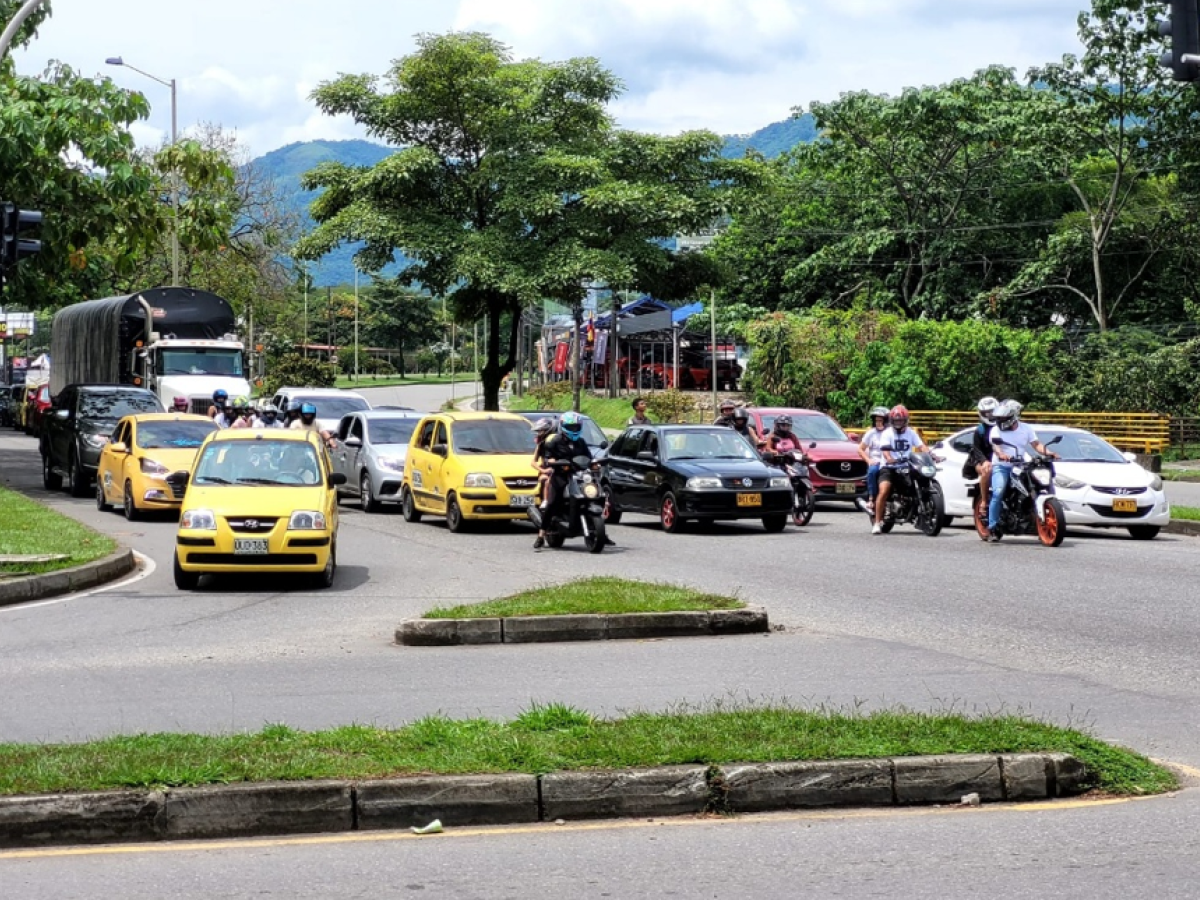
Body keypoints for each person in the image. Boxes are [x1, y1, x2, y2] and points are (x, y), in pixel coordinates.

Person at [985, 399, 1057, 543]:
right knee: (998, 492)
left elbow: (1036, 445)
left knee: (1039, 485)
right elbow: (996, 447)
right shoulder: (995, 430)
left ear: (1013, 416)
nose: (1000, 421)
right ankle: (992, 527)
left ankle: (1036, 519)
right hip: (1002, 466)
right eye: (999, 418)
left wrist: (1049, 453)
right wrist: (1002, 455)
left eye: (1003, 418)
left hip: (1022, 464)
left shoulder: (1026, 429)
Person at [534, 411, 592, 551]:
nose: (573, 430)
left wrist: (594, 463)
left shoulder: (581, 442)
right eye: (570, 427)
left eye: (576, 427)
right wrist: (553, 461)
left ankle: (602, 533)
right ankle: (541, 535)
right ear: (563, 426)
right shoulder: (555, 441)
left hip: (579, 475)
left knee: (594, 495)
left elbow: (588, 457)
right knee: (553, 503)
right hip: (560, 475)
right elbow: (548, 458)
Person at [873, 404, 928, 535]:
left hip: (906, 466)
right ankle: (877, 522)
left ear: (906, 420)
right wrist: (889, 458)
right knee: (884, 489)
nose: (898, 423)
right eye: (896, 421)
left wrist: (931, 455)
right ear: (892, 421)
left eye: (901, 420)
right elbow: (885, 451)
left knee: (920, 481)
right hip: (889, 467)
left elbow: (921, 447)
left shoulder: (911, 433)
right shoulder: (887, 433)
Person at [962, 396, 999, 521]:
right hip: (980, 459)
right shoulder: (980, 430)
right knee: (986, 471)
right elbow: (977, 450)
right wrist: (985, 461)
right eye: (986, 413)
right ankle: (984, 502)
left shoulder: (1003, 427)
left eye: (992, 412)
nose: (990, 415)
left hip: (999, 459)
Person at [858, 406, 890, 515]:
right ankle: (871, 498)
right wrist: (869, 460)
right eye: (876, 420)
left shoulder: (891, 433)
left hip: (889, 462)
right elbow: (860, 449)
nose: (878, 423)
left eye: (881, 420)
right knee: (872, 471)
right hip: (876, 461)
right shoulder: (871, 433)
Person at [530, 417, 556, 505]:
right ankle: (545, 502)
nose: (538, 434)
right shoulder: (541, 445)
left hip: (558, 470)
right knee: (547, 480)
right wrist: (543, 470)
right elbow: (533, 462)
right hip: (547, 471)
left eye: (540, 431)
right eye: (538, 432)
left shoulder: (557, 443)